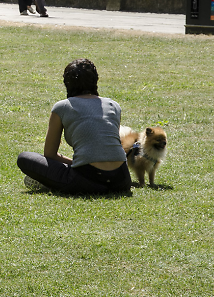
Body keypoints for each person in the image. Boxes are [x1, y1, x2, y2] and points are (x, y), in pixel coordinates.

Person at [16, 58, 131, 196]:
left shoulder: (62, 106)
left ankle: (47, 181)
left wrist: (75, 163)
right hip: (121, 180)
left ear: (67, 83)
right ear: (95, 81)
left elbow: (50, 154)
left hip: (85, 181)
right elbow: (106, 148)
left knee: (24, 158)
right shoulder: (113, 105)